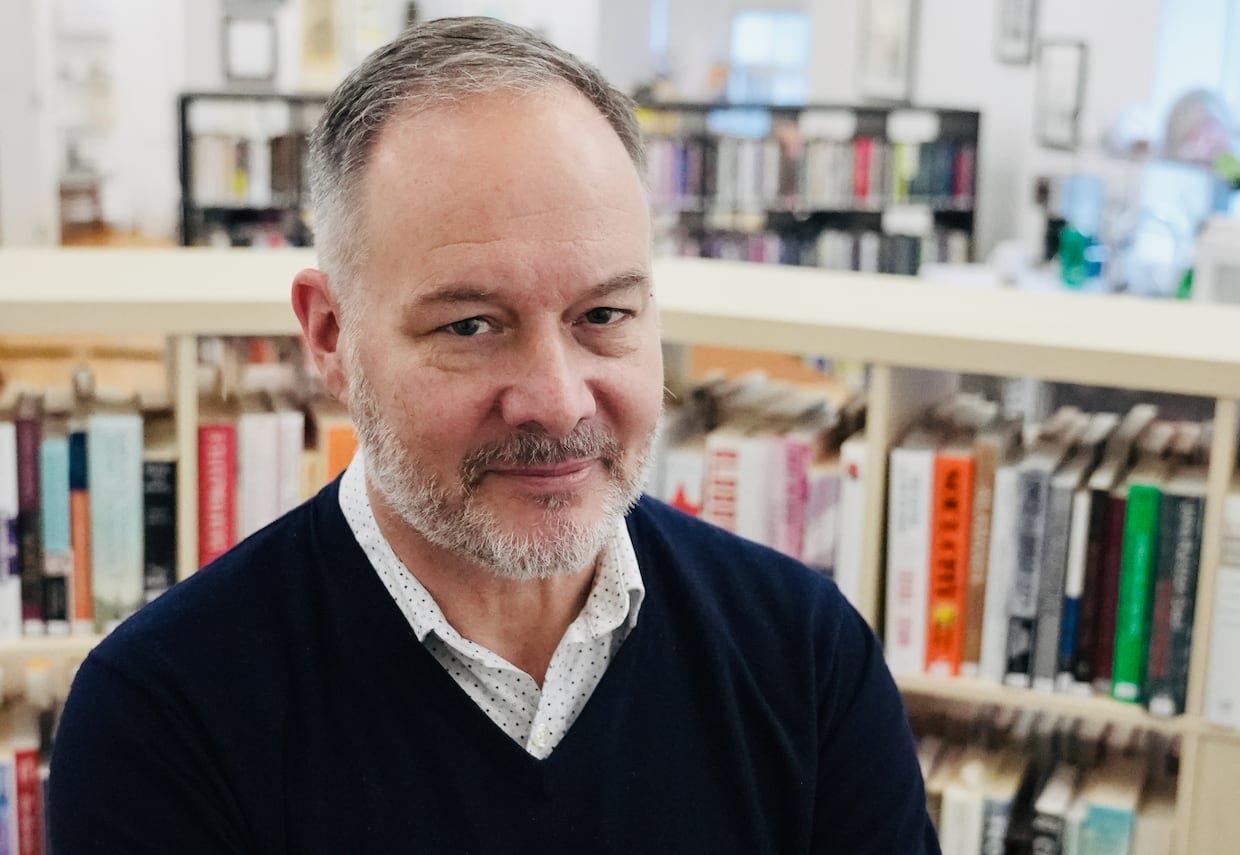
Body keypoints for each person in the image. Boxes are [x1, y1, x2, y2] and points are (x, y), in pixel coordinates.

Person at [49, 17, 938, 853]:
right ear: (330, 336)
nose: (556, 403)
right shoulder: (162, 714)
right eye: (471, 325)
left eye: (603, 313)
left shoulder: (806, 657)